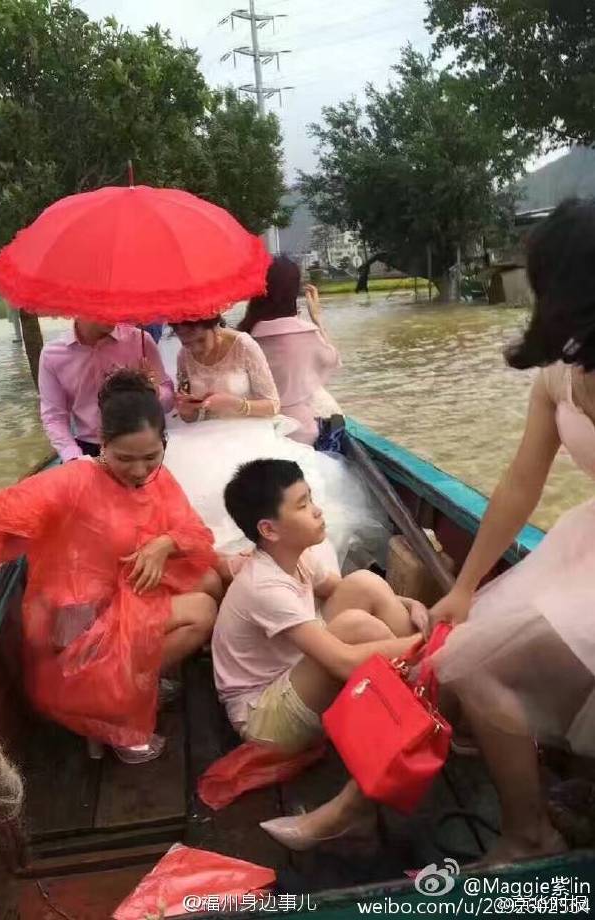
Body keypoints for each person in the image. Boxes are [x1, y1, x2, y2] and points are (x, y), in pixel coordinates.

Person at [0, 370, 219, 764]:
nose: (139, 471)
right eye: (124, 458)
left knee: (209, 577)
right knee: (203, 610)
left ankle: (129, 683)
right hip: (75, 621)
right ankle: (111, 701)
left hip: (120, 597)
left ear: (163, 444)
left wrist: (166, 543)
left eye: (150, 457)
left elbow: (194, 531)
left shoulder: (156, 478)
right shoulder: (72, 481)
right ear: (102, 444)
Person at [429, 199, 595, 863]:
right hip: (587, 547)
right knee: (465, 651)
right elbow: (521, 485)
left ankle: (534, 829)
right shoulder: (560, 371)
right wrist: (465, 586)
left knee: (479, 661)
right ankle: (532, 829)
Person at [212, 458, 423, 849]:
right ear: (269, 530)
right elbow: (341, 660)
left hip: (289, 676)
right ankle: (418, 689)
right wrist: (425, 644)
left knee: (365, 583)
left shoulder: (295, 557)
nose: (318, 510)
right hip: (262, 718)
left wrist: (408, 604)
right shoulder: (265, 586)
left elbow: (346, 588)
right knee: (356, 631)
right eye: (303, 504)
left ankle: (419, 691)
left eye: (311, 498)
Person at [166, 319, 390, 564]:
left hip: (249, 431)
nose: (195, 349)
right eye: (184, 340)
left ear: (212, 325)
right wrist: (187, 410)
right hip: (202, 436)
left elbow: (272, 405)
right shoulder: (183, 355)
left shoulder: (243, 345)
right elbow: (191, 411)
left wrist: (234, 404)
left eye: (199, 340)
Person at [238, 256, 342, 445]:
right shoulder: (306, 333)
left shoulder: (243, 335)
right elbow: (332, 359)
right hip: (301, 433)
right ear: (293, 291)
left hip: (255, 430)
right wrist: (317, 319)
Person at [38, 320, 174, 461]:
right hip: (87, 448)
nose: (113, 314)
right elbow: (54, 416)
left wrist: (155, 391)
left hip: (139, 447)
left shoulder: (140, 341)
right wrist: (73, 456)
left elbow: (169, 403)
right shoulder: (53, 355)